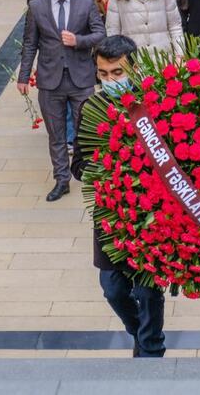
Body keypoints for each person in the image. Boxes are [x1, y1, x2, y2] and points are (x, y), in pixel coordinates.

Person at [71, 35, 166, 358]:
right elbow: (79, 165)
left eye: (117, 73)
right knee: (112, 288)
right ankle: (139, 331)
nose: (110, 80)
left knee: (147, 288)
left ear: (135, 69)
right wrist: (106, 168)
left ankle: (150, 347)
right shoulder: (92, 108)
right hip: (111, 214)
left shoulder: (155, 104)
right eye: (103, 74)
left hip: (150, 215)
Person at [18, 0, 105, 201]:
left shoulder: (86, 2)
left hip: (81, 78)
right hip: (50, 79)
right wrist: (24, 76)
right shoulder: (36, 6)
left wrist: (79, 40)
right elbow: (29, 43)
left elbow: (100, 33)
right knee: (56, 134)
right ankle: (61, 180)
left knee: (86, 131)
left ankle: (92, 175)